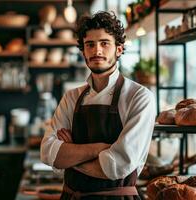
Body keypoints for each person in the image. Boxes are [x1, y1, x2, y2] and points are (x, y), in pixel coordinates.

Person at [40, 11, 155, 200]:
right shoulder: (71, 98)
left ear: (119, 49)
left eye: (104, 43)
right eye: (90, 45)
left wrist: (71, 153)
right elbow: (47, 153)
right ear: (83, 51)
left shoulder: (139, 97)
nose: (97, 51)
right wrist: (100, 149)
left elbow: (117, 165)